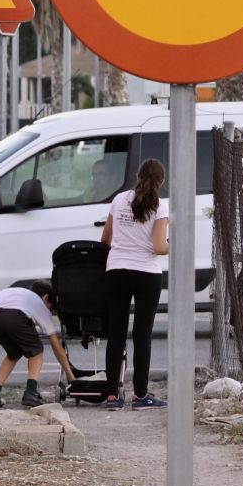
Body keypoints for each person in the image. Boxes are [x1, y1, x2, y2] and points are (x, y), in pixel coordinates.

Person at [101, 158, 169, 409]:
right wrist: (174, 245)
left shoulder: (119, 200)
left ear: (138, 176)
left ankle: (111, 395)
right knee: (142, 335)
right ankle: (140, 395)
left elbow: (105, 239)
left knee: (115, 333)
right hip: (147, 274)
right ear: (161, 182)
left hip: (117, 270)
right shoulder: (160, 207)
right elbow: (159, 247)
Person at [0, 279, 72, 409]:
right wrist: (71, 377)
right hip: (14, 316)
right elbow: (57, 348)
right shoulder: (40, 304)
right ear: (46, 298)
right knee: (36, 351)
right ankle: (31, 393)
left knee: (14, 353)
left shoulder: (18, 292)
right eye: (50, 307)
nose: (49, 310)